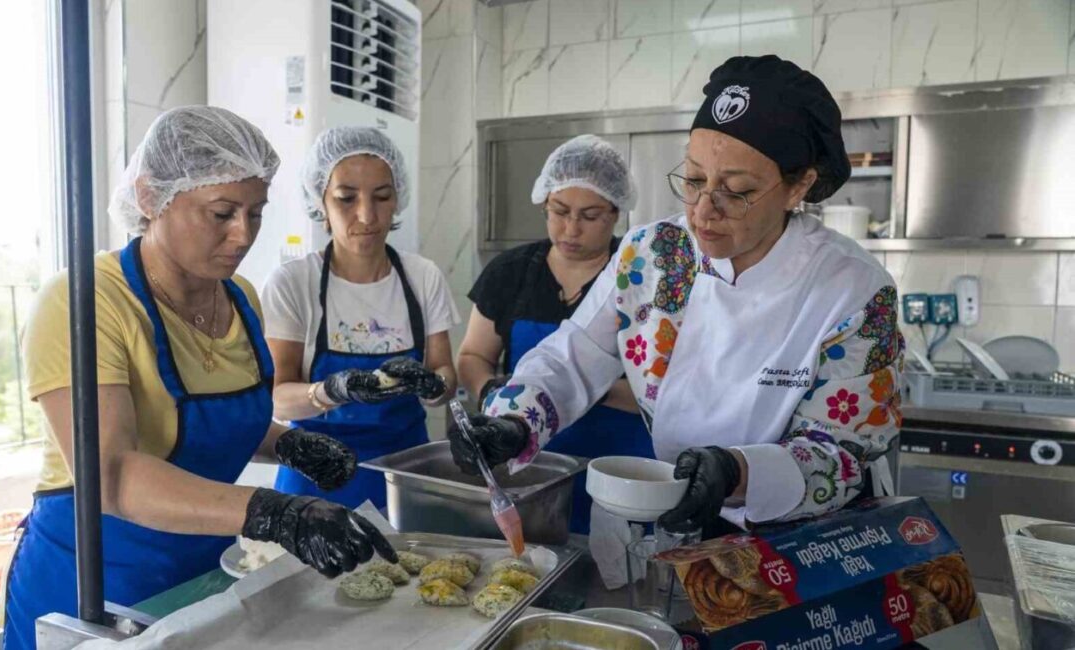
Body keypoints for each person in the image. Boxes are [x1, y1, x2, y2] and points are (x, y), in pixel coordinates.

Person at [449, 56, 905, 539]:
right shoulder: (653, 255)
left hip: (799, 541)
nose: (703, 211)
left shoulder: (853, 289)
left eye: (738, 191)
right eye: (692, 180)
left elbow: (846, 453)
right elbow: (574, 355)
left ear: (799, 187)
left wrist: (738, 471)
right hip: (674, 523)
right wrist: (515, 420)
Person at [0, 107, 395, 650]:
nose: (243, 234)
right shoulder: (85, 301)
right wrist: (273, 510)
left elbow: (208, 425)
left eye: (256, 213)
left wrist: (291, 446)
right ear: (149, 198)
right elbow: (110, 475)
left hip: (203, 573)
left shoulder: (240, 299)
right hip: (93, 584)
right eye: (222, 213)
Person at [457, 134, 652, 534]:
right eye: (559, 211)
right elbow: (473, 356)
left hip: (621, 468)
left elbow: (658, 391)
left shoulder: (639, 279)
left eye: (590, 215)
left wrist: (556, 392)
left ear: (616, 213)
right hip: (534, 469)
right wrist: (497, 402)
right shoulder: (510, 272)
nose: (570, 228)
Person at [263, 126, 459, 509]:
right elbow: (277, 399)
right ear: (321, 202)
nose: (367, 216)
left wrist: (432, 385)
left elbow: (446, 378)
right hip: (314, 475)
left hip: (404, 475)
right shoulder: (293, 283)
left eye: (382, 197)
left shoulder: (423, 277)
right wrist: (331, 391)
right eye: (346, 199)